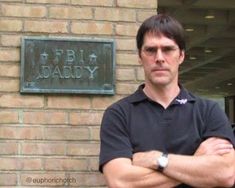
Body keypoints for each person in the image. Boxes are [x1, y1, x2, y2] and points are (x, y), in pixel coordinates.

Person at [99, 14, 235, 188]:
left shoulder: (208, 111)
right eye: (150, 50)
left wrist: (156, 159)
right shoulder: (119, 114)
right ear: (140, 57)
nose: (159, 58)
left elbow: (226, 174)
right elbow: (121, 182)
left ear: (181, 56)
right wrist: (196, 161)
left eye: (168, 49)